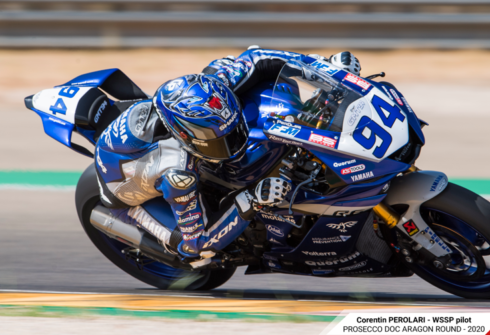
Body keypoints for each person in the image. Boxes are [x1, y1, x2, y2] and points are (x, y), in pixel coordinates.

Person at [94, 47, 362, 264]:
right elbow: (198, 241)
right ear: (185, 137)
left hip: (146, 141)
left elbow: (258, 57)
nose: (233, 144)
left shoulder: (214, 84)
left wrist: (324, 69)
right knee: (196, 255)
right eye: (219, 142)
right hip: (126, 193)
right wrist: (252, 198)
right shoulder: (177, 173)